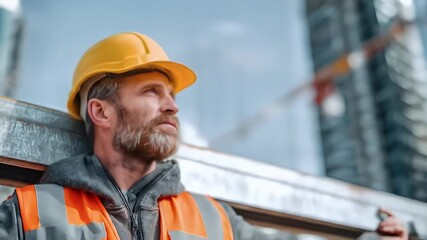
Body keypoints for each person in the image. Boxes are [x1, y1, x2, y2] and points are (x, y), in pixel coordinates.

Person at [0, 32, 407, 240]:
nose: (173, 106)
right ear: (101, 111)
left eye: (172, 96)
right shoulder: (27, 214)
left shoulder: (218, 222)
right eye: (151, 92)